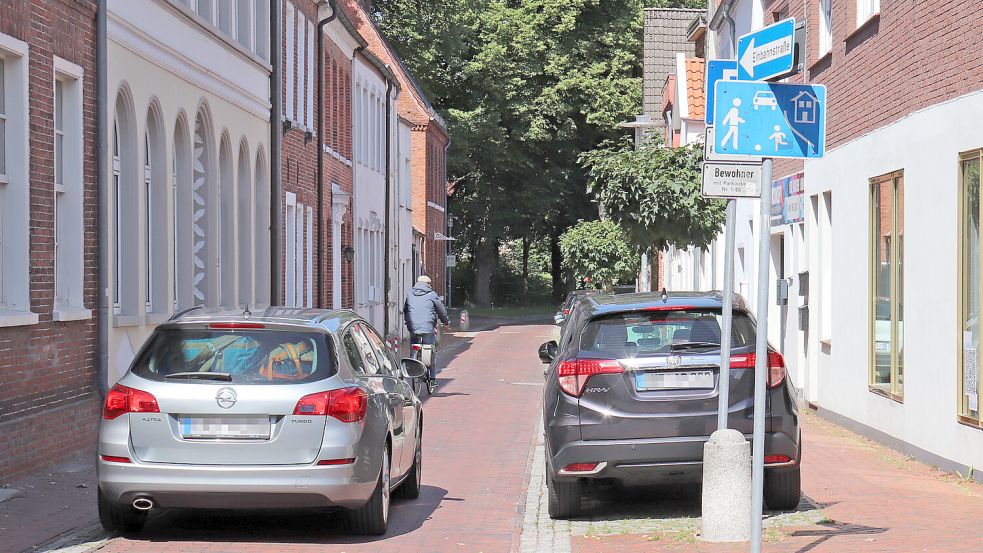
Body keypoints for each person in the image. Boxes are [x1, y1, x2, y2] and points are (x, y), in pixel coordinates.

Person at [403, 275, 450, 384]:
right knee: (430, 350)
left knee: (414, 344)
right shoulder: (431, 294)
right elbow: (441, 310)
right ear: (428, 284)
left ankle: (412, 360)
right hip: (427, 328)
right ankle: (432, 379)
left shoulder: (410, 293)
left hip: (413, 327)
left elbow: (405, 309)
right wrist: (446, 321)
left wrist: (408, 322)